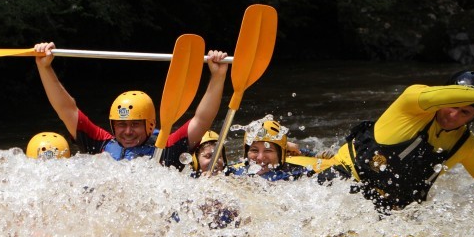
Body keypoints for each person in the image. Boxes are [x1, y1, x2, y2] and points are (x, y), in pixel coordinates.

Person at [33, 42, 229, 168]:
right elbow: (66, 109)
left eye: (135, 124)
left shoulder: (168, 147)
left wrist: (218, 77)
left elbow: (202, 119)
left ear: (150, 125)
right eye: (121, 124)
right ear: (112, 125)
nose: (127, 131)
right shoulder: (100, 144)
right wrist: (45, 67)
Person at [321, 70, 474, 211]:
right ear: (443, 96)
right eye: (453, 106)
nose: (453, 115)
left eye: (465, 112)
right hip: (342, 180)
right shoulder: (413, 102)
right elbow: (433, 97)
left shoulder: (468, 145)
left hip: (385, 209)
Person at [226, 115, 313, 181]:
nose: (260, 157)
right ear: (246, 153)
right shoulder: (234, 173)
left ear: (280, 154)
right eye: (254, 150)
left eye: (268, 150)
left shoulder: (297, 175)